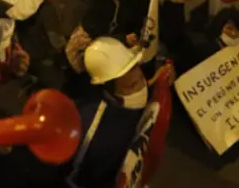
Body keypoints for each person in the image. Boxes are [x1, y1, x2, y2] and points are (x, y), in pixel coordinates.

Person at [62, 38, 174, 188]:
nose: (141, 89)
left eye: (141, 78)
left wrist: (161, 78)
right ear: (109, 93)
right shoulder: (92, 133)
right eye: (132, 86)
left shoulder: (131, 94)